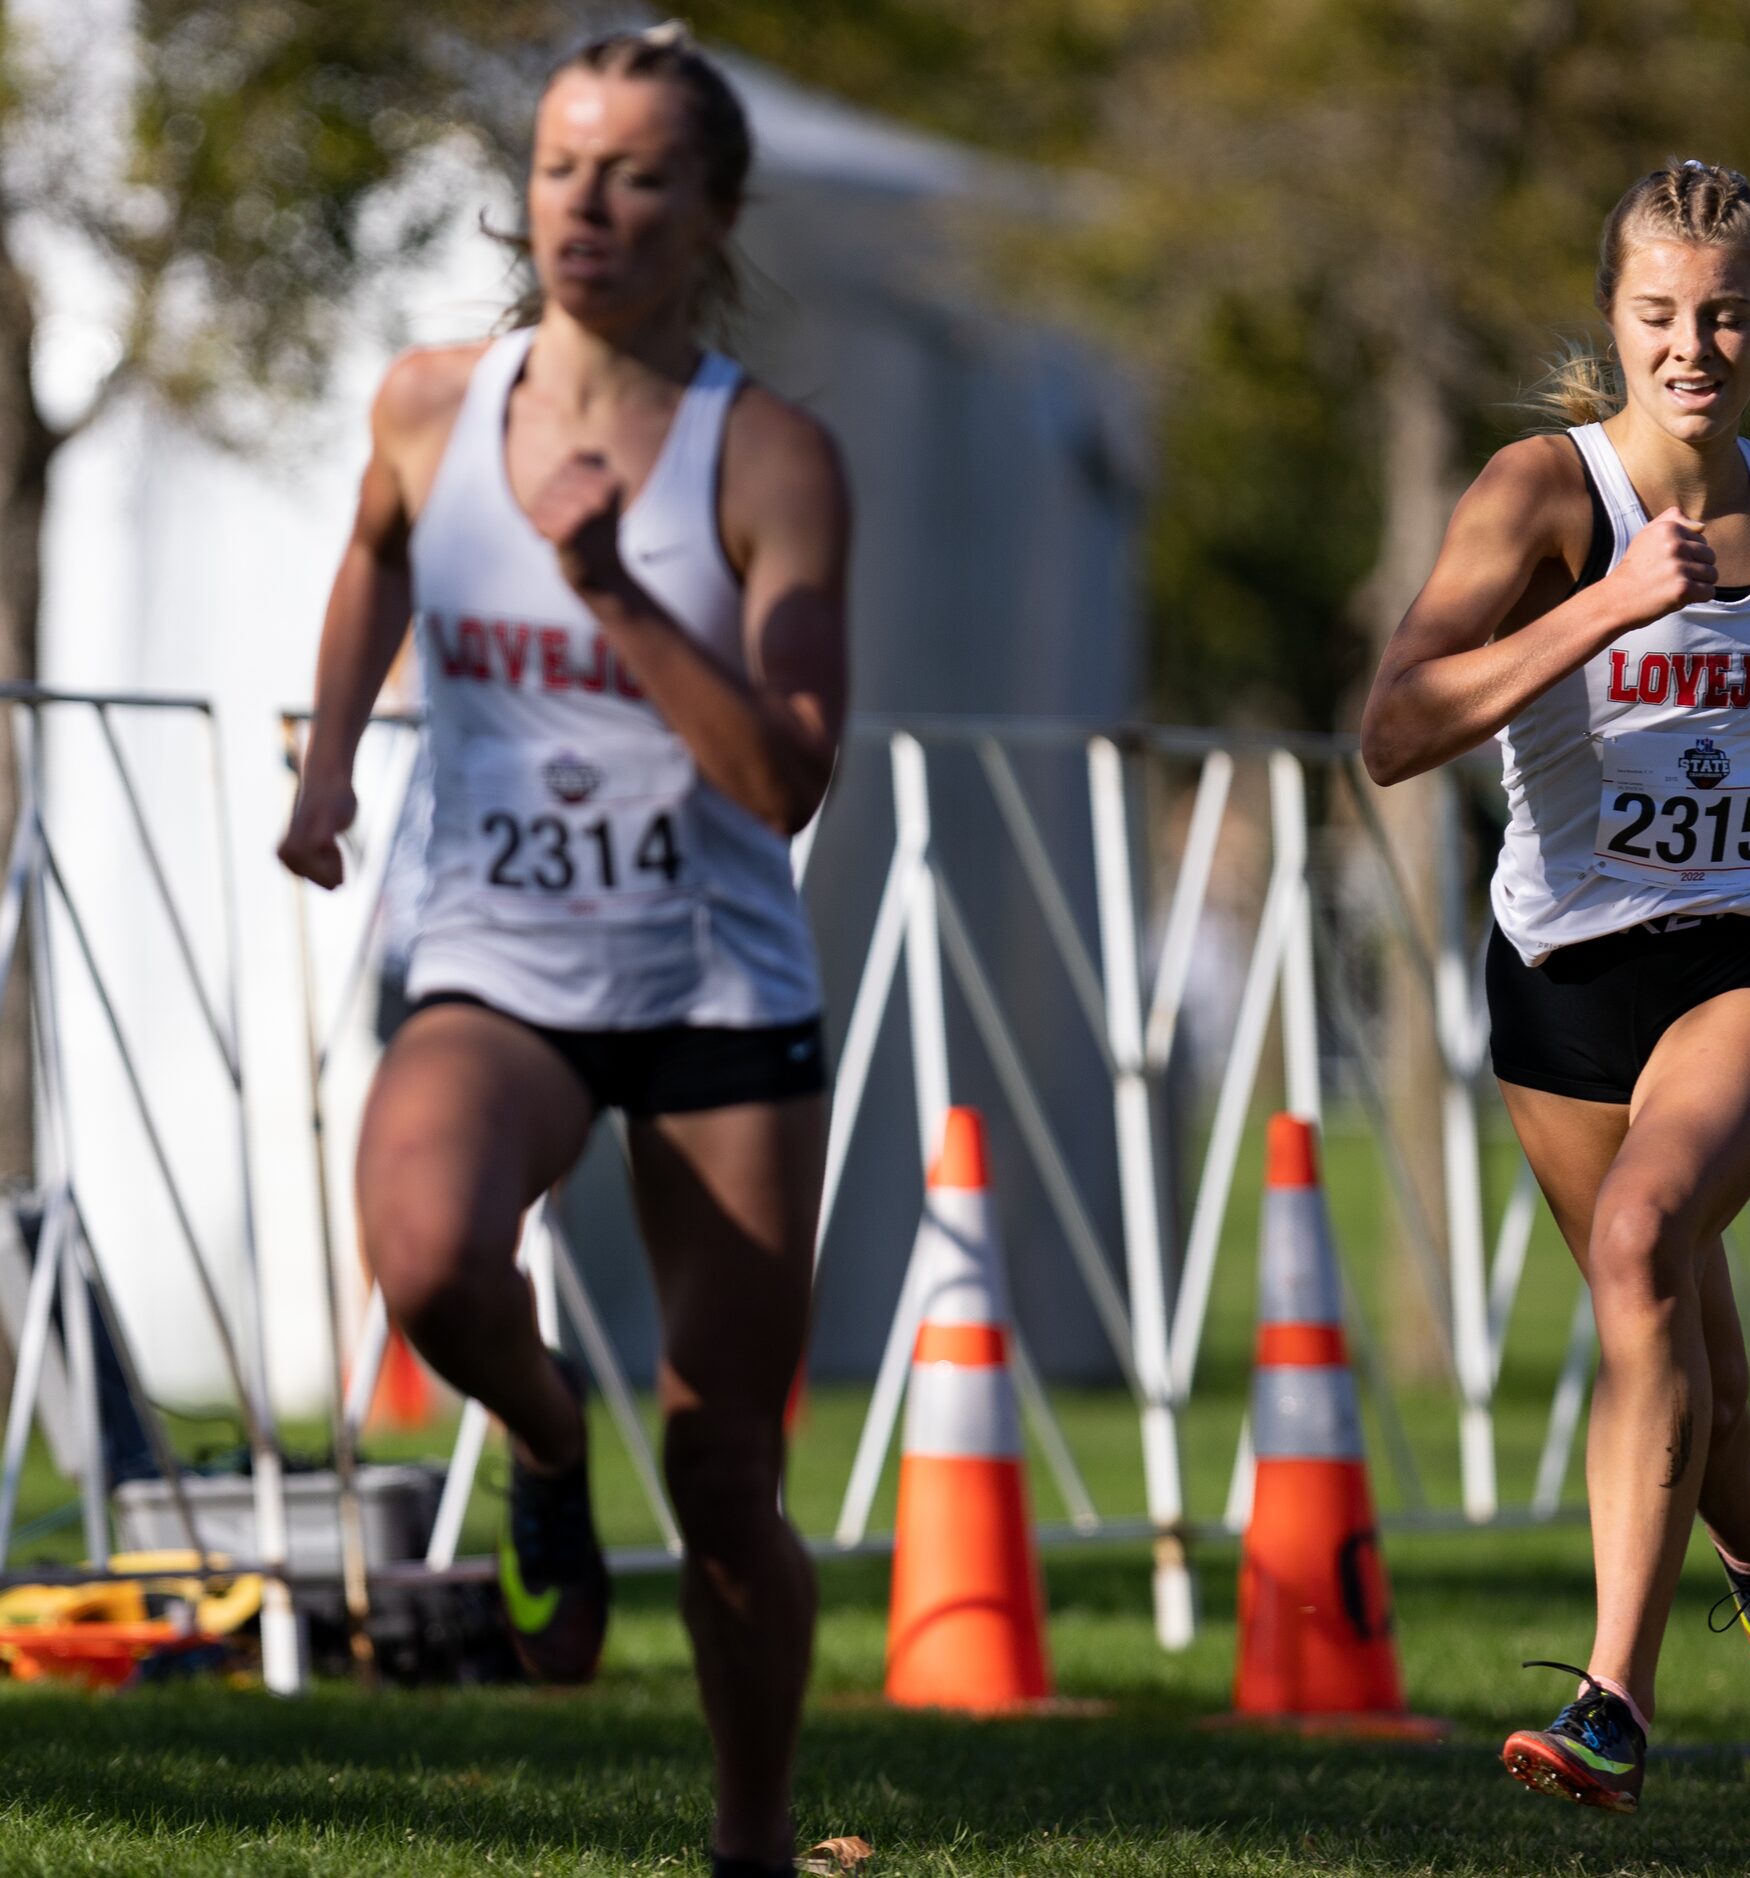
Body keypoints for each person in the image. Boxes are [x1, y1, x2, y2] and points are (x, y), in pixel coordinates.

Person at [278, 26, 847, 1876]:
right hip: (499, 955)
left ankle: (750, 1836)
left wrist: (609, 585)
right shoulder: (436, 402)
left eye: (636, 175)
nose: (587, 207)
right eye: (558, 169)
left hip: (713, 988)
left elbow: (782, 778)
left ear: (713, 210)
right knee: (433, 1258)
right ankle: (537, 1442)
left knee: (723, 1475)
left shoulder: (767, 453)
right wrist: (332, 757)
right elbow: (380, 549)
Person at [1359, 160, 1750, 1814]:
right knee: (1700, 1385)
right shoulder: (1546, 495)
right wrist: (1602, 607)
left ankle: (1613, 1699)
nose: (1696, 344)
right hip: (1561, 981)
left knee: (1637, 1239)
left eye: (1729, 313)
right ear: (1614, 319)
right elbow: (1395, 729)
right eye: (1660, 312)